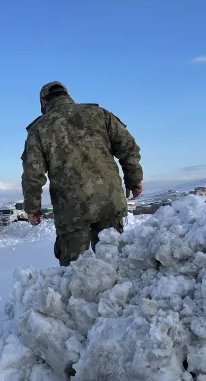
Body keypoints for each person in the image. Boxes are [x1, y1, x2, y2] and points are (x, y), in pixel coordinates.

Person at [22, 81, 143, 266]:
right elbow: (128, 148)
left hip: (71, 208)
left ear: (43, 102)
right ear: (67, 95)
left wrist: (33, 207)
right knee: (113, 262)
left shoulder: (39, 129)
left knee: (74, 271)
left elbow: (32, 172)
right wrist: (134, 179)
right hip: (109, 200)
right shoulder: (99, 114)